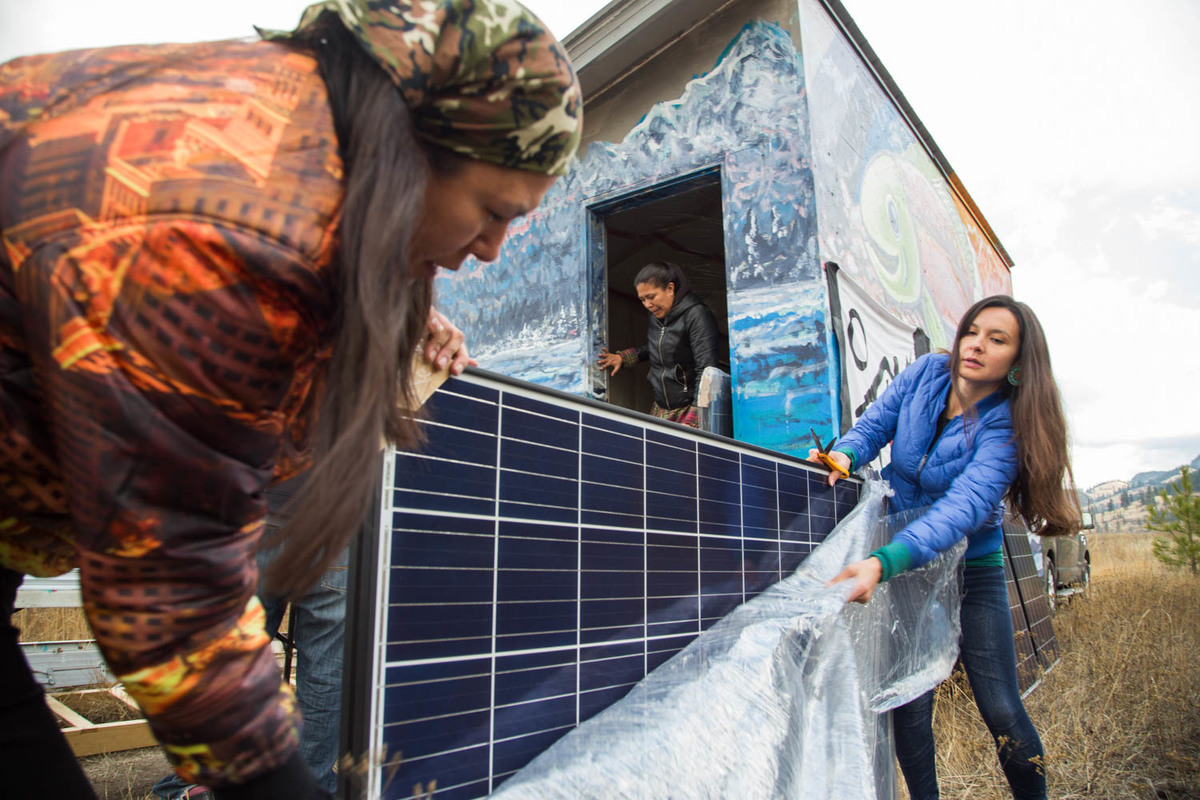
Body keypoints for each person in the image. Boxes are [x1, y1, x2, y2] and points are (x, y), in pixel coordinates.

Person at [0, 1, 581, 797]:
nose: (489, 249)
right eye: (493, 212)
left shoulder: (292, 137)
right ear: (412, 146)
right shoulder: (223, 232)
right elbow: (175, 601)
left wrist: (394, 311)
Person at [811, 295, 1080, 800]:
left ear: (1019, 364)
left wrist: (882, 561)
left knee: (1000, 706)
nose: (976, 345)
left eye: (996, 339)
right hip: (905, 566)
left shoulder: (1007, 426)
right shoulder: (926, 373)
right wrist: (844, 455)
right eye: (972, 331)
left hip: (968, 569)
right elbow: (875, 425)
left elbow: (961, 510)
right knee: (908, 697)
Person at [597, 261, 721, 428]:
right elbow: (656, 346)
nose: (648, 305)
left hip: (688, 410)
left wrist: (697, 416)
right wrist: (623, 357)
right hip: (661, 408)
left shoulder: (697, 315)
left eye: (651, 297)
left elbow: (707, 370)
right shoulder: (656, 316)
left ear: (670, 289)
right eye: (642, 299)